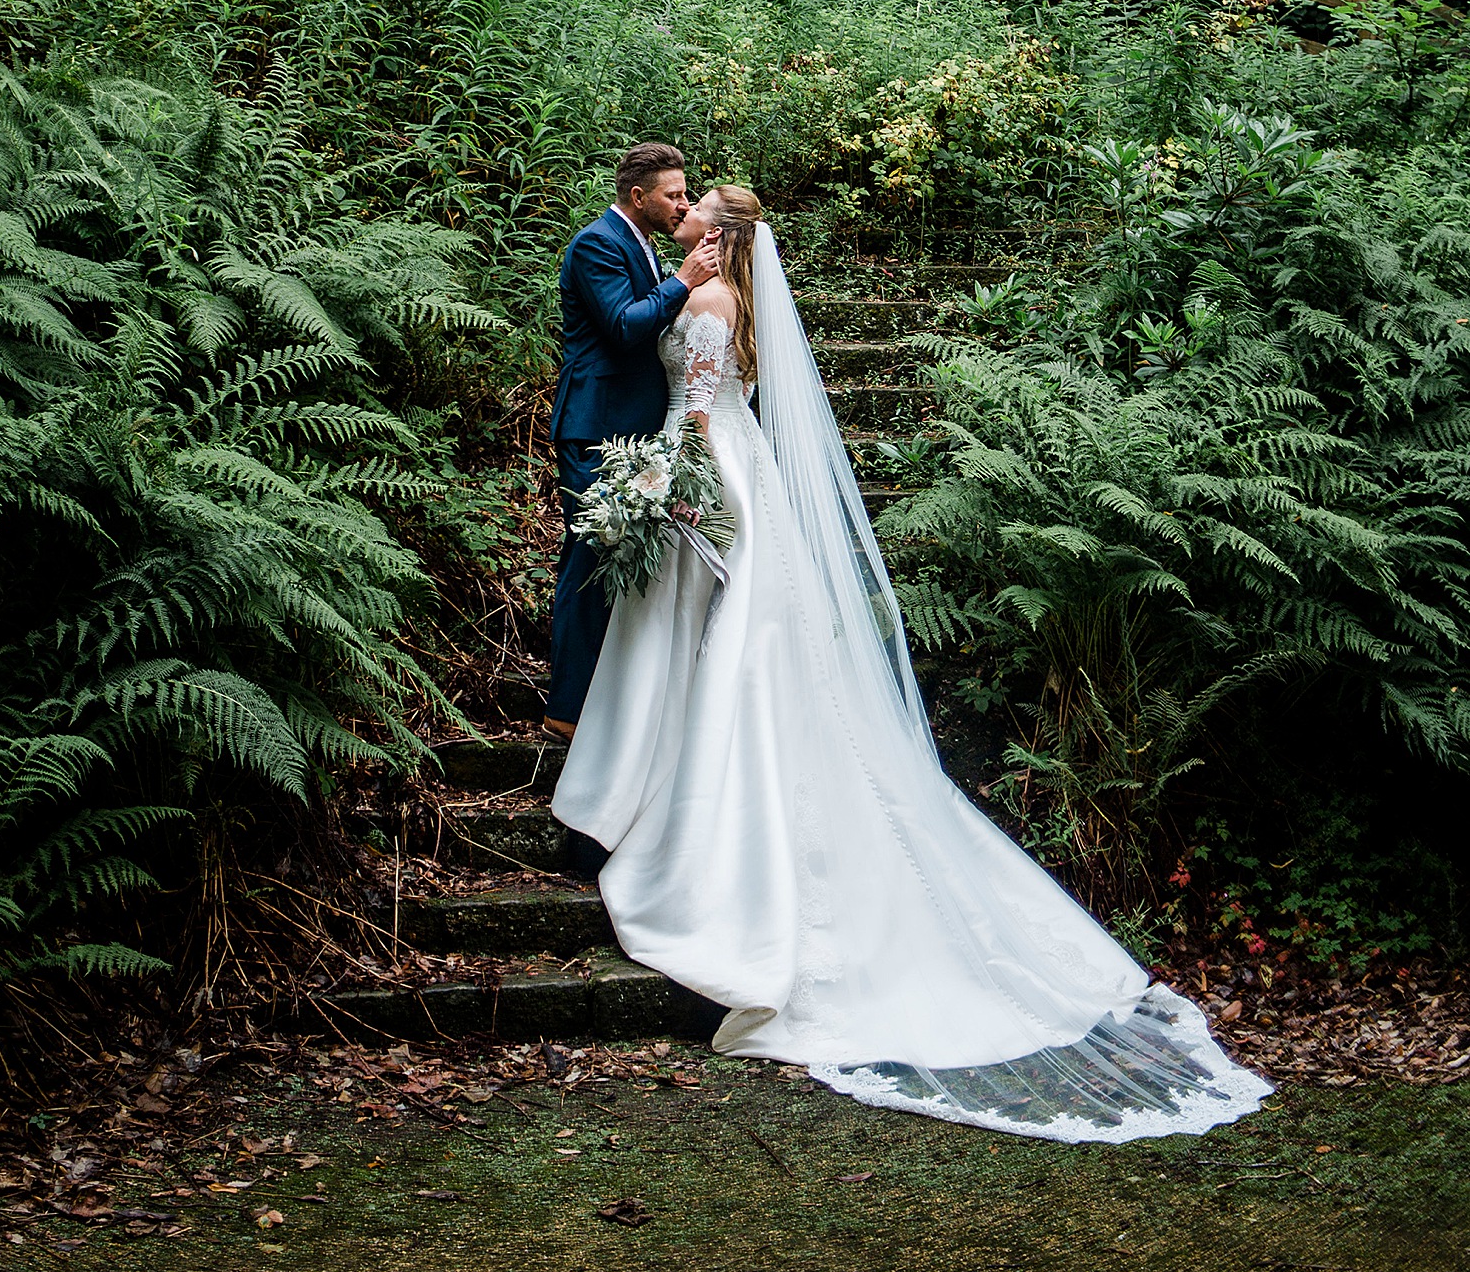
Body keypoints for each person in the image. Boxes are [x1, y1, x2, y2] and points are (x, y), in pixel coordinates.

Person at [553, 184, 1272, 1145]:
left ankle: (666, 805)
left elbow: (696, 408)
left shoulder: (713, 300)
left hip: (708, 467)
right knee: (726, 640)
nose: (679, 218)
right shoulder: (724, 295)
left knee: (725, 647)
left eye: (695, 211)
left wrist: (659, 483)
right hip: (737, 462)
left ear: (716, 234)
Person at [545, 144, 722, 743]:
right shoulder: (597, 243)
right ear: (637, 196)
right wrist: (681, 282)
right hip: (594, 427)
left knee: (611, 558)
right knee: (590, 557)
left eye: (686, 193)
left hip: (633, 431)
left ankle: (603, 695)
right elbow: (624, 327)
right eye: (673, 194)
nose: (683, 203)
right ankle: (567, 708)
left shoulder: (643, 244)